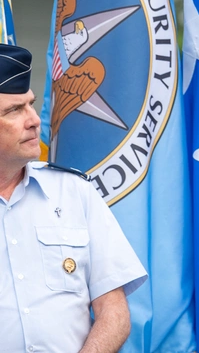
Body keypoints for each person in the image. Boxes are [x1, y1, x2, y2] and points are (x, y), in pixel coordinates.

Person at [0, 44, 147, 353]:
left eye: (31, 105)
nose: (34, 120)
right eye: (14, 110)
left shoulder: (74, 192)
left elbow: (114, 311)